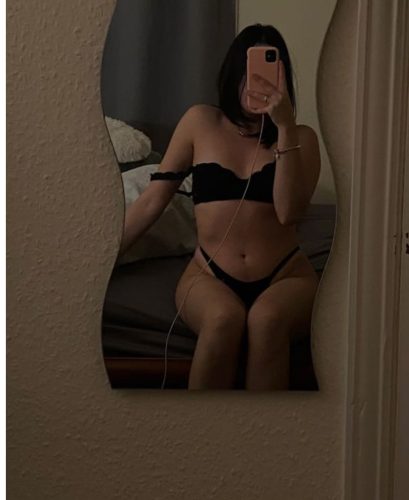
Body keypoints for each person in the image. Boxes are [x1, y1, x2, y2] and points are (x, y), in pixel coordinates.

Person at [118, 24, 321, 391]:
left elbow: (288, 213)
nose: (255, 82)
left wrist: (285, 128)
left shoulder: (302, 137)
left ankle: (264, 431)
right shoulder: (200, 122)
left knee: (267, 320)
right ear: (232, 74)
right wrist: (100, 260)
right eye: (248, 71)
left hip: (286, 275)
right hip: (209, 274)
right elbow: (152, 201)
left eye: (268, 71)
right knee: (223, 320)